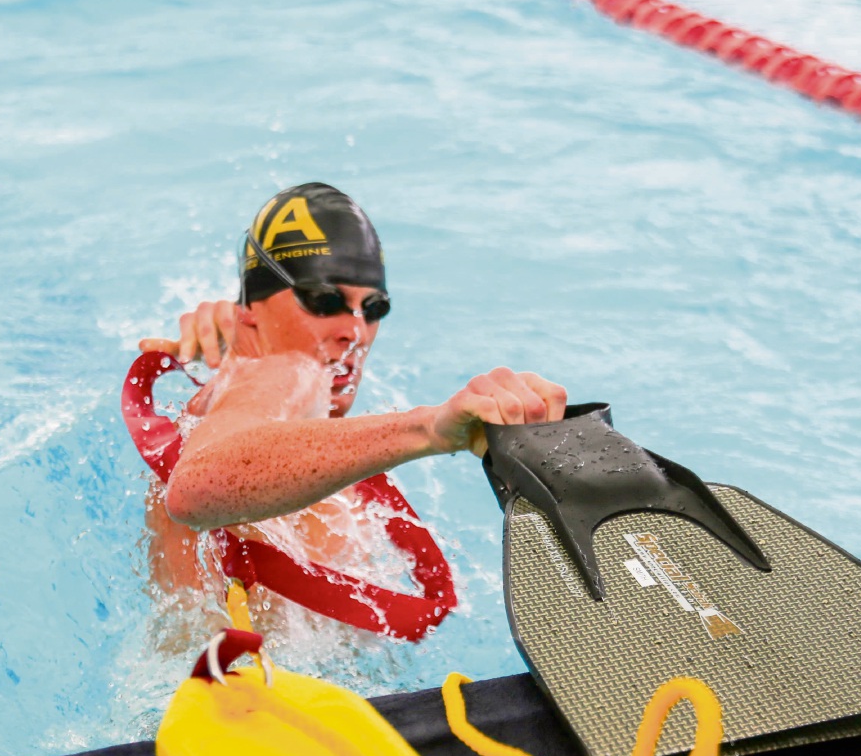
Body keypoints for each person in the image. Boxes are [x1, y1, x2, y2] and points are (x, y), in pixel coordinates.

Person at [135, 182, 566, 627]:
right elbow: (194, 488)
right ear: (249, 308)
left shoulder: (261, 402)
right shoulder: (285, 372)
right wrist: (428, 429)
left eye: (373, 308)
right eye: (324, 301)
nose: (355, 332)